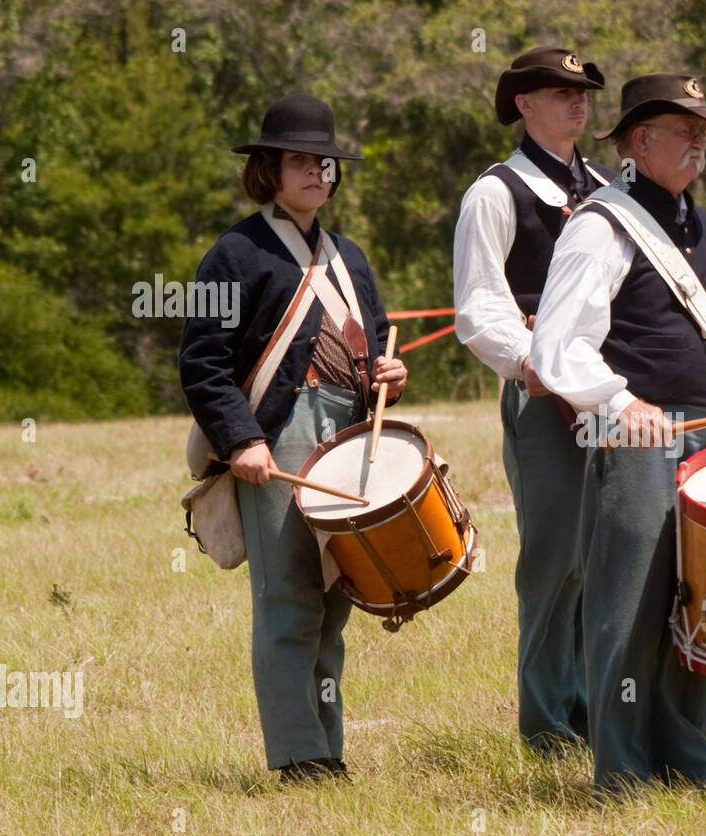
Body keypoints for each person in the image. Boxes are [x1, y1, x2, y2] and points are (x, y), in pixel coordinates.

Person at [530, 73, 706, 800]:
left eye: (705, 131)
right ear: (639, 140)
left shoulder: (702, 226)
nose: (701, 142)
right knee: (627, 608)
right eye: (686, 130)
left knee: (698, 605)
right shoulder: (600, 225)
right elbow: (559, 347)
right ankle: (620, 774)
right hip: (639, 438)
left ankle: (689, 761)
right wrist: (622, 404)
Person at [179, 94, 407, 783]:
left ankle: (326, 749)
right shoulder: (235, 252)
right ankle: (298, 757)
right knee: (289, 599)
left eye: (326, 164)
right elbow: (202, 362)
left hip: (343, 432)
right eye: (301, 161)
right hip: (276, 436)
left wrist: (388, 376)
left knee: (337, 597)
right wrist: (242, 440)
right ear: (268, 170)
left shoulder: (350, 256)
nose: (318, 173)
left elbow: (369, 349)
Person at [452, 46, 611, 755]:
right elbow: (478, 307)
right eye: (558, 92)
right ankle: (548, 726)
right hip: (542, 399)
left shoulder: (608, 188)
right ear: (523, 104)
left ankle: (596, 713)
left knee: (608, 553)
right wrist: (528, 364)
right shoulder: (496, 192)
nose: (577, 102)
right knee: (555, 561)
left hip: (612, 396)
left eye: (582, 93)